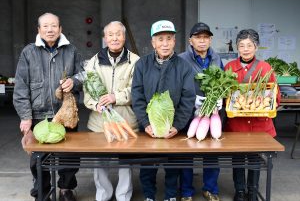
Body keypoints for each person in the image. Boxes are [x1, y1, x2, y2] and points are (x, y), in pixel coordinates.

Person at [13, 13, 83, 201]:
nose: (50, 30)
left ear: (60, 29)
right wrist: (25, 116)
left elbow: (83, 75)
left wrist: (74, 82)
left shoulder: (71, 50)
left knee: (69, 157)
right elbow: (20, 87)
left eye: (54, 26)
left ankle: (66, 189)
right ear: (39, 30)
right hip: (38, 114)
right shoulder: (28, 52)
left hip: (66, 114)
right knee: (39, 159)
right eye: (45, 26)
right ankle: (42, 190)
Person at [131, 20, 196, 201]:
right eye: (160, 39)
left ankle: (170, 196)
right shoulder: (142, 65)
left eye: (169, 39)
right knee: (147, 166)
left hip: (172, 129)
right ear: (153, 42)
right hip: (149, 129)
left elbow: (188, 99)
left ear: (174, 41)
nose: (165, 43)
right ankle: (149, 196)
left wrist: (176, 125)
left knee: (173, 167)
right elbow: (137, 96)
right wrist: (145, 123)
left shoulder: (183, 66)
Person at [83, 21, 140, 201]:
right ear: (105, 38)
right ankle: (103, 195)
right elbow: (87, 91)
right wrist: (95, 104)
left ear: (124, 37)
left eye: (118, 34)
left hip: (125, 121)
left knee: (125, 163)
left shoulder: (135, 61)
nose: (114, 38)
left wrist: (116, 96)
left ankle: (123, 196)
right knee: (100, 162)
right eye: (110, 34)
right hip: (99, 122)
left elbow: (137, 90)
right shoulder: (93, 62)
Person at [224, 29, 280, 201]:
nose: (245, 49)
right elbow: (225, 93)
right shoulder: (229, 67)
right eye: (242, 45)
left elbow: (275, 96)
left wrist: (266, 105)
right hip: (237, 124)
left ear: (256, 47)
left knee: (255, 158)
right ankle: (240, 190)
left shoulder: (265, 68)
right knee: (238, 159)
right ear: (237, 48)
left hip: (259, 124)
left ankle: (253, 190)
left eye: (249, 45)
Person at [178, 22, 224, 201]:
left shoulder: (217, 59)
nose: (202, 41)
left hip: (212, 112)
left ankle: (210, 189)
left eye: (206, 37)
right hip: (189, 113)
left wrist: (219, 99)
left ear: (210, 40)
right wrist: (192, 102)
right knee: (186, 154)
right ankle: (187, 192)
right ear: (191, 40)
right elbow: (178, 86)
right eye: (198, 37)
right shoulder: (181, 59)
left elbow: (221, 82)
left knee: (212, 152)